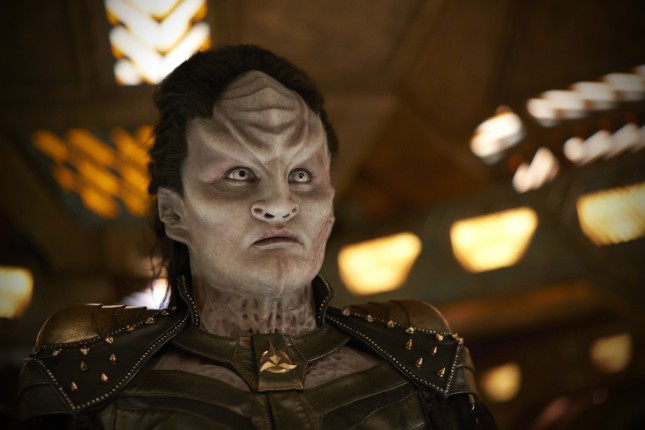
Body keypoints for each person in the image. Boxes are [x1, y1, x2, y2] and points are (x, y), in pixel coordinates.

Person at [18, 45, 497, 429]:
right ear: (174, 213)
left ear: (329, 208)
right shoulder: (89, 375)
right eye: (239, 174)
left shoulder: (422, 359)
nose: (280, 203)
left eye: (302, 175)